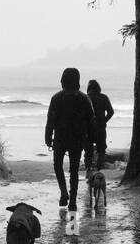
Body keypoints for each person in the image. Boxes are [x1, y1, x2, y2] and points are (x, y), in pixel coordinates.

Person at [45, 67, 95, 211]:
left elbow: (50, 120)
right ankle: (72, 200)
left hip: (60, 137)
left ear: (63, 80)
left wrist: (48, 137)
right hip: (78, 138)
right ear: (77, 81)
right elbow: (91, 120)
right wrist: (91, 140)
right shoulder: (84, 98)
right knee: (74, 170)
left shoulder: (56, 98)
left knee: (57, 165)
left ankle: (63, 192)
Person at [85, 79, 114, 171]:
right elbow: (111, 112)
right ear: (98, 87)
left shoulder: (86, 98)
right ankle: (98, 169)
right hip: (100, 128)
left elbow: (80, 114)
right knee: (101, 151)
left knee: (88, 151)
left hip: (88, 128)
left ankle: (88, 170)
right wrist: (104, 121)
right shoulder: (104, 97)